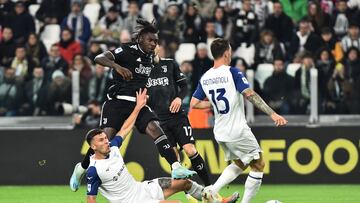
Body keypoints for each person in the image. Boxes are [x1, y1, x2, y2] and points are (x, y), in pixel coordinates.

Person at [70, 19, 196, 192]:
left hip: (138, 104)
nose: (154, 44)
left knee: (155, 128)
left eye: (156, 41)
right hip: (117, 103)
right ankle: (82, 168)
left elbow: (157, 63)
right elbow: (98, 58)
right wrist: (117, 67)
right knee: (104, 142)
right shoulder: (126, 50)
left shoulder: (151, 57)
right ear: (140, 39)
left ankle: (176, 167)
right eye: (150, 40)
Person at [85, 88, 239, 203]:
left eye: (105, 138)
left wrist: (138, 107)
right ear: (93, 147)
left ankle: (217, 201)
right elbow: (91, 199)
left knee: (185, 183)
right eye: (101, 140)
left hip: (142, 188)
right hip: (132, 201)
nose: (106, 141)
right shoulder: (94, 170)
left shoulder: (113, 147)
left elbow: (125, 128)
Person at [190, 38, 288, 203]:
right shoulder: (232, 72)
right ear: (227, 53)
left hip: (220, 131)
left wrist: (214, 104)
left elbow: (194, 103)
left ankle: (212, 190)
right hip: (236, 129)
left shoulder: (205, 77)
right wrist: (273, 114)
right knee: (258, 164)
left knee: (241, 163)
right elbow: (250, 94)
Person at [147, 46, 210, 187]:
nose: (151, 48)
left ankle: (209, 187)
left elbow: (185, 86)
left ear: (158, 47)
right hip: (159, 121)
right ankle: (189, 194)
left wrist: (179, 98)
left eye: (154, 44)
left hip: (177, 117)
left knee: (190, 150)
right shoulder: (142, 70)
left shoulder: (170, 64)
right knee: (174, 160)